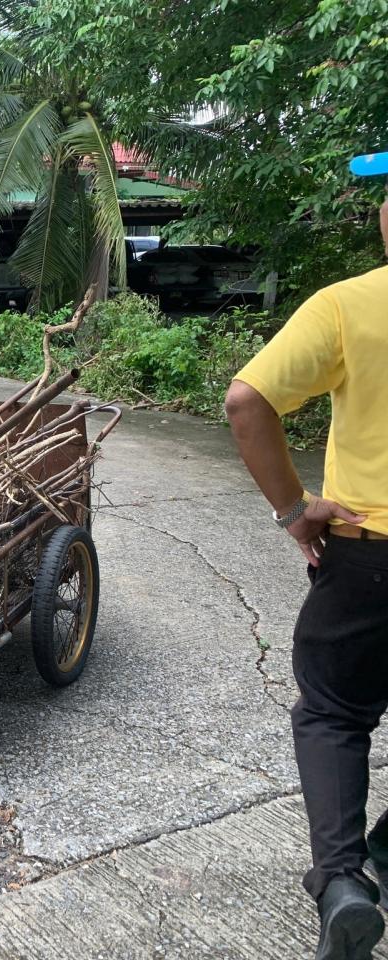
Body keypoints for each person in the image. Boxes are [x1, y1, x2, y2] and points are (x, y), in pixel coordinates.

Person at [225, 158, 388, 960]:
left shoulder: (352, 306)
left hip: (370, 556)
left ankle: (345, 878)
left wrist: (295, 511)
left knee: (333, 712)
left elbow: (246, 401)